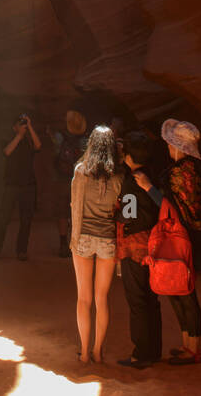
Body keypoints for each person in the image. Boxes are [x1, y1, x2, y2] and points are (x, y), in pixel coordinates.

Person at [70, 125, 123, 366]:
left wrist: (74, 239)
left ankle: (83, 353)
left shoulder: (81, 172)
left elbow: (75, 207)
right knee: (102, 298)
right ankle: (99, 351)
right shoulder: (118, 177)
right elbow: (120, 213)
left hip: (83, 239)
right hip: (107, 240)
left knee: (84, 299)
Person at [159, 118, 201, 365]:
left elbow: (177, 204)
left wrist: (149, 190)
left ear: (177, 146)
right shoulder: (192, 168)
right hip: (190, 236)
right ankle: (188, 344)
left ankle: (193, 348)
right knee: (181, 290)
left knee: (185, 292)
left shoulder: (182, 170)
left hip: (182, 237)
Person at [115, 130, 163, 369]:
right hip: (154, 244)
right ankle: (154, 351)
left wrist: (116, 214)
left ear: (130, 156)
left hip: (135, 246)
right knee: (151, 300)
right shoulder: (152, 175)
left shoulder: (131, 181)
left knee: (137, 301)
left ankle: (141, 353)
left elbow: (129, 214)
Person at [0, 114, 41, 261]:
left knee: (26, 220)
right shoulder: (8, 139)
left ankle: (21, 250)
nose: (23, 126)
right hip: (12, 185)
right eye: (20, 124)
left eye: (24, 123)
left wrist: (30, 126)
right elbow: (7, 151)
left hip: (28, 185)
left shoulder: (29, 141)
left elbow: (38, 145)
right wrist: (19, 136)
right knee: (3, 218)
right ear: (14, 127)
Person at [48, 110, 88, 256]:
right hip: (80, 180)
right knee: (79, 212)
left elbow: (55, 155)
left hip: (62, 179)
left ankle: (63, 243)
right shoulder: (85, 139)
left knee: (62, 212)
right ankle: (77, 242)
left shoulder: (60, 137)